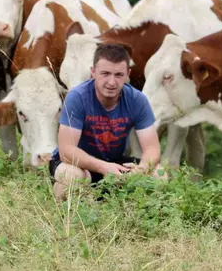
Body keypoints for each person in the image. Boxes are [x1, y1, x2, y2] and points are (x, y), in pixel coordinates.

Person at [51, 43, 164, 200]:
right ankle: (65, 219)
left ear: (127, 74)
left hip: (114, 162)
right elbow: (67, 151)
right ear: (93, 72)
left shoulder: (137, 99)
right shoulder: (77, 97)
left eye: (118, 75)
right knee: (71, 175)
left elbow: (152, 148)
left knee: (159, 174)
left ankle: (136, 219)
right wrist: (103, 167)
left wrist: (142, 168)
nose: (111, 82)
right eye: (105, 73)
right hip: (79, 164)